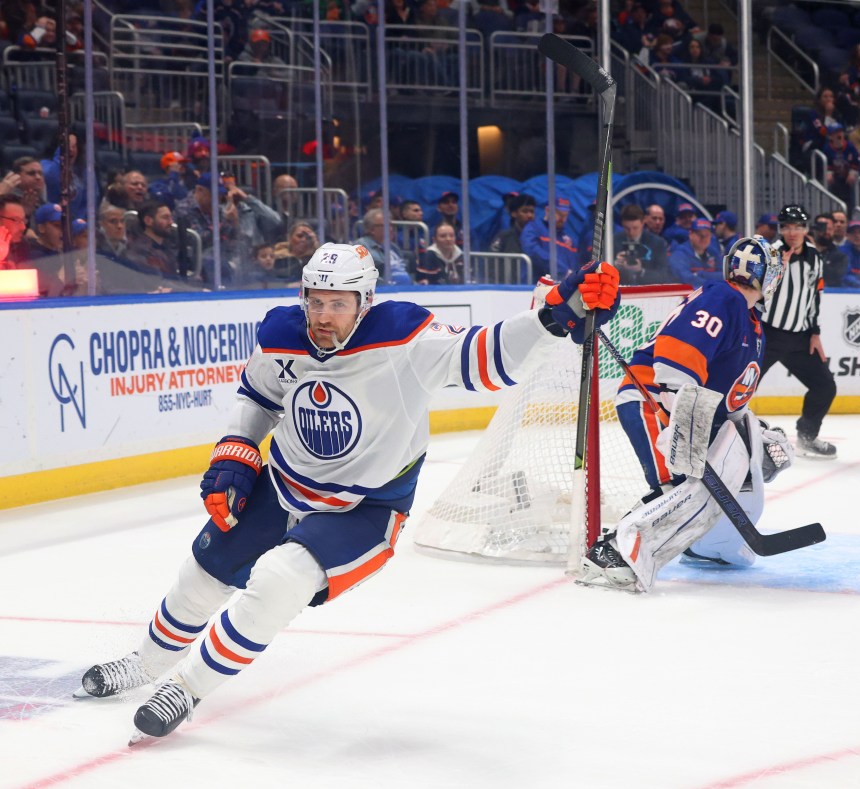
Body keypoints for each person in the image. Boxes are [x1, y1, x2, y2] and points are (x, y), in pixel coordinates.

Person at [75, 243, 621, 740]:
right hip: (283, 485)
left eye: (338, 304)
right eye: (315, 302)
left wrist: (553, 316)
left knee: (279, 579)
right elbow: (260, 397)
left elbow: (483, 356)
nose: (323, 316)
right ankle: (146, 664)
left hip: (365, 508)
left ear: (365, 302)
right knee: (203, 573)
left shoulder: (404, 338)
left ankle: (186, 688)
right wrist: (237, 448)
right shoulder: (281, 334)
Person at [577, 235, 794, 592]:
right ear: (768, 276)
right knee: (677, 486)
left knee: (695, 488)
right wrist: (680, 412)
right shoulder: (723, 298)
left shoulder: (751, 322)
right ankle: (611, 549)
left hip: (688, 410)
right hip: (653, 400)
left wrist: (754, 435)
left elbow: (730, 398)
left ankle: (698, 545)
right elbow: (678, 354)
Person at [763, 204, 837, 458]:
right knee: (741, 387)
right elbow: (756, 293)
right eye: (787, 227)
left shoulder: (814, 256)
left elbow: (815, 295)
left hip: (800, 338)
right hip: (768, 334)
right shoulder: (771, 254)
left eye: (797, 227)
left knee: (824, 386)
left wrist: (815, 332)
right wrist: (777, 271)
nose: (792, 232)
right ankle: (722, 438)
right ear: (780, 230)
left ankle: (807, 436)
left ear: (806, 229)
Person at [520, 196, 578, 282]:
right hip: (535, 284)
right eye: (558, 213)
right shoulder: (533, 228)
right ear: (547, 210)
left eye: (565, 215)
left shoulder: (568, 239)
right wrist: (563, 270)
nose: (562, 219)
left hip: (561, 286)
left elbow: (574, 264)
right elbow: (532, 250)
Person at [611, 203, 669, 285]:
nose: (631, 232)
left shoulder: (658, 243)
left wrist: (641, 271)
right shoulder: (612, 241)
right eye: (627, 228)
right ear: (622, 224)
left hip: (648, 290)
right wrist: (614, 265)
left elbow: (664, 276)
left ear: (643, 223)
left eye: (635, 228)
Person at [353, 208, 411, 284]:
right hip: (384, 289)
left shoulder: (394, 247)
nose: (391, 229)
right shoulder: (361, 246)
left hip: (407, 288)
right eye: (386, 225)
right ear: (371, 229)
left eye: (391, 225)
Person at [668, 216, 717, 285]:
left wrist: (701, 274)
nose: (703, 238)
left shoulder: (713, 252)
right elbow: (686, 279)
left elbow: (724, 275)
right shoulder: (679, 254)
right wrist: (712, 284)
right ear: (691, 234)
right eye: (700, 234)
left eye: (707, 235)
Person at [813, 213, 852, 289]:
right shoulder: (803, 251)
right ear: (815, 229)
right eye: (822, 228)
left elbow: (835, 278)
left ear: (834, 230)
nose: (826, 232)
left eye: (829, 229)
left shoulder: (840, 257)